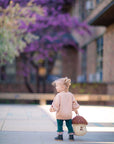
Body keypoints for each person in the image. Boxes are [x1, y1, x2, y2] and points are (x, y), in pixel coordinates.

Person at [49, 77, 80, 141]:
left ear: (63, 87)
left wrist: (52, 109)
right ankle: (71, 136)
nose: (56, 87)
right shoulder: (71, 95)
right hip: (68, 114)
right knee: (69, 125)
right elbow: (73, 104)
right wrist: (76, 110)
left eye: (57, 86)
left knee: (59, 125)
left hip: (60, 114)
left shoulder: (59, 95)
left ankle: (60, 136)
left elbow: (56, 104)